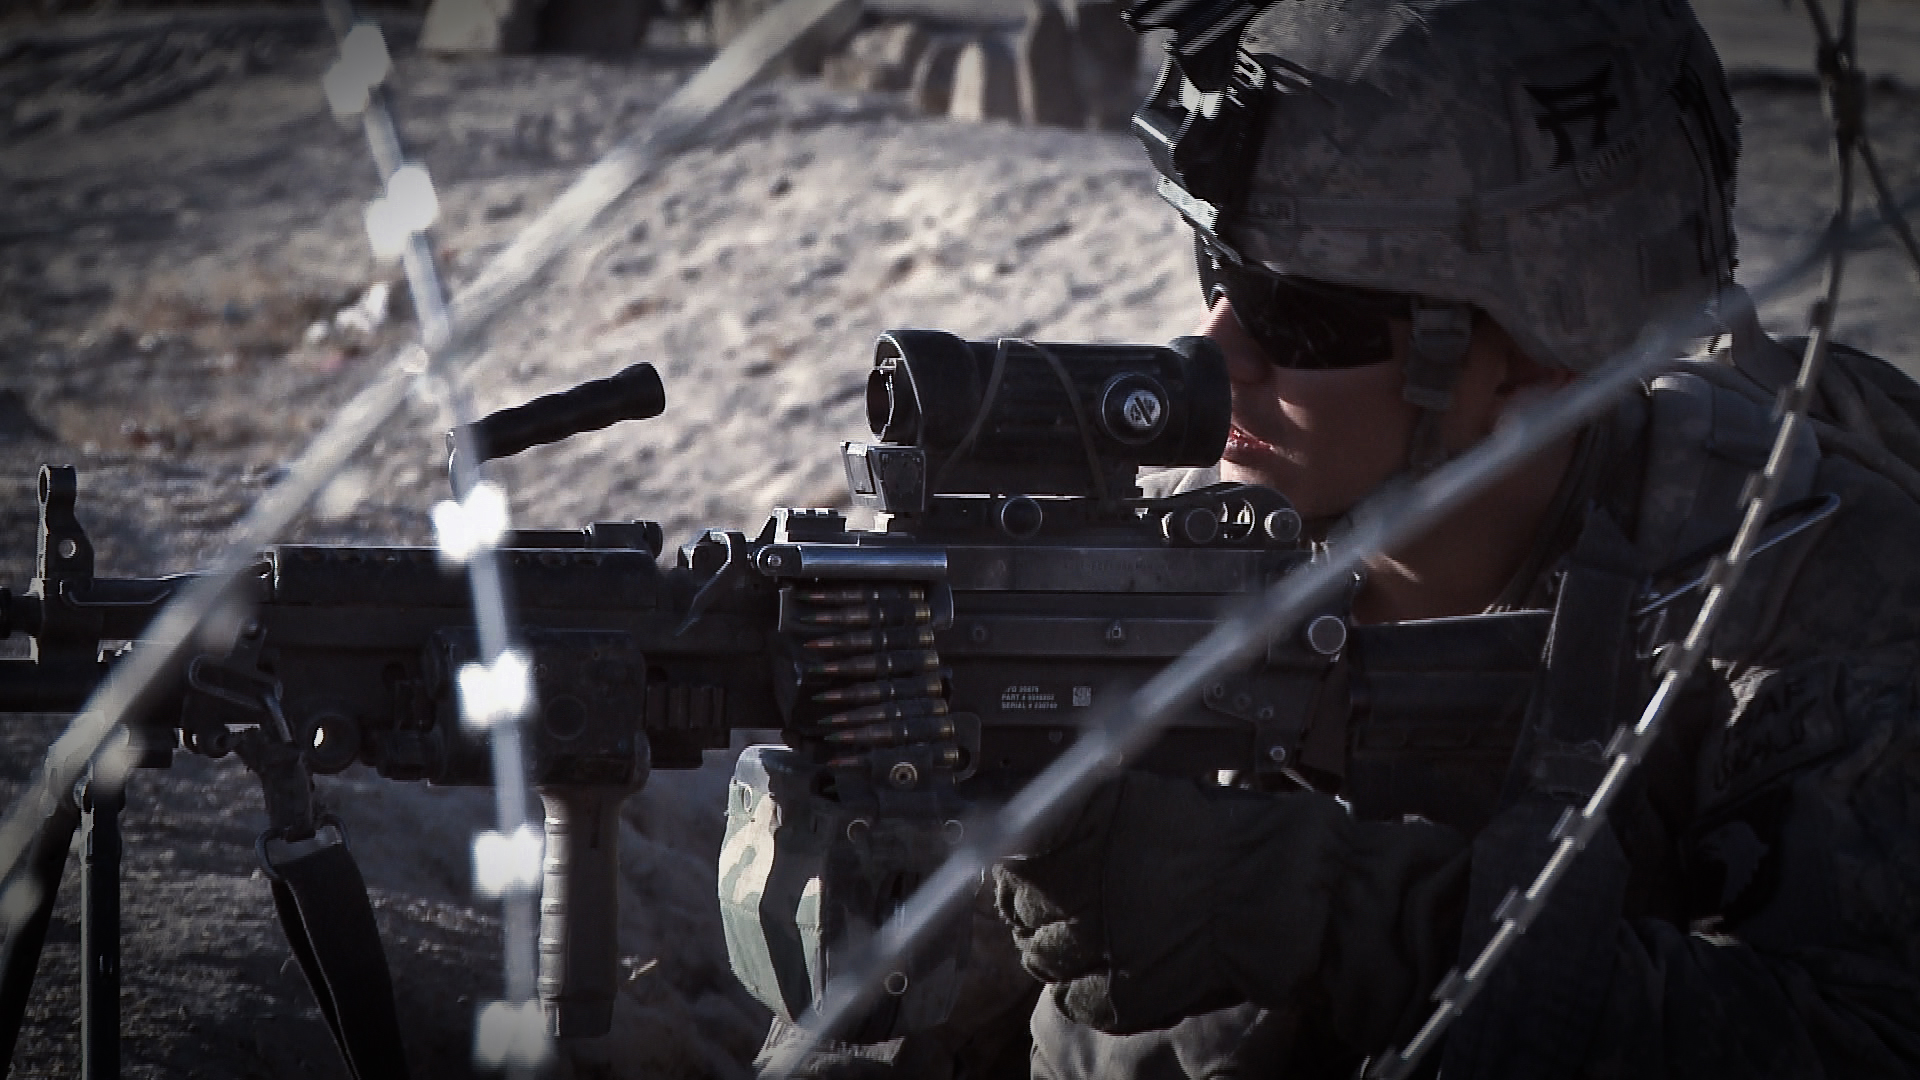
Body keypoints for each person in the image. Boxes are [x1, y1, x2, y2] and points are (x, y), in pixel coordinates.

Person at [987, 0, 1920, 1078]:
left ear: (1541, 351)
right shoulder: (1232, 526)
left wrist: (1340, 916)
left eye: (1296, 314)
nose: (1215, 351)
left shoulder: (1802, 587)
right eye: (1215, 271)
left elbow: (1862, 1041)